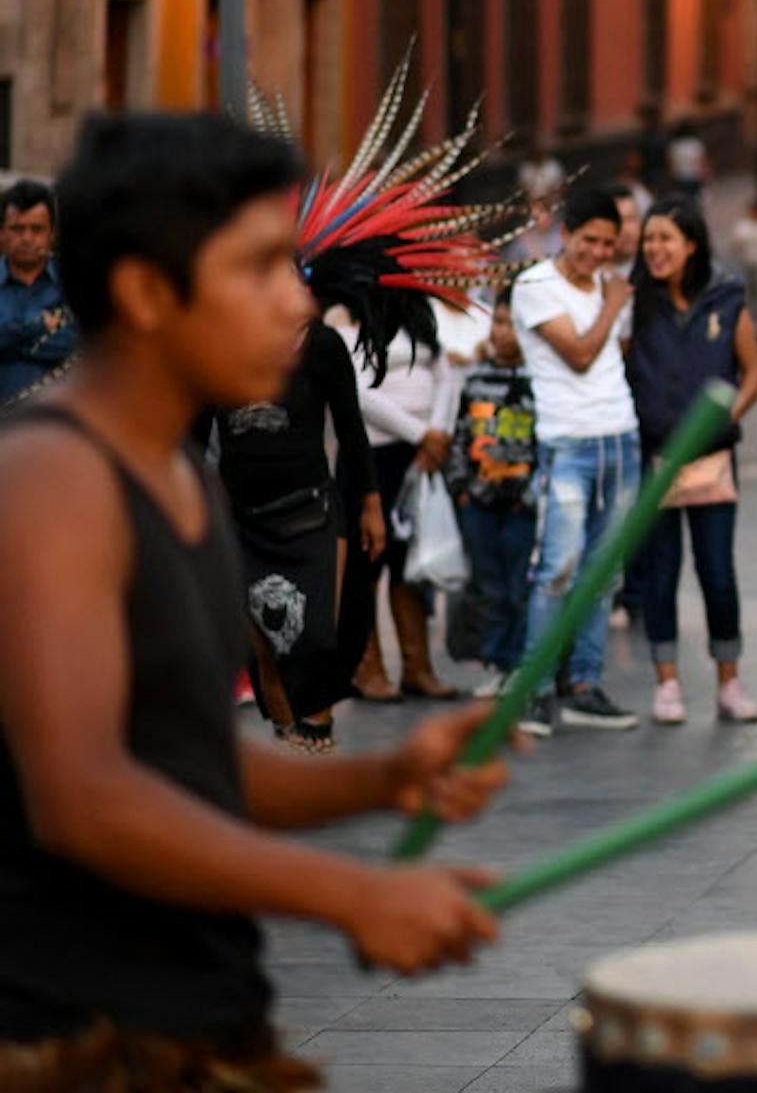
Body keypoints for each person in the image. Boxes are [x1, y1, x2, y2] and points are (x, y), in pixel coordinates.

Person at [0, 114, 510, 1089]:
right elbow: (84, 798)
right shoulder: (52, 484)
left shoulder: (180, 474)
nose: (295, 302)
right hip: (70, 1045)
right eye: (261, 269)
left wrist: (386, 779)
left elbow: (184, 763)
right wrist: (351, 893)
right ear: (148, 293)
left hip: (199, 1025)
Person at [212, 319, 387, 752]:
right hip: (240, 518)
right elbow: (192, 437)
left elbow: (351, 428)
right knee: (265, 647)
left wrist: (370, 503)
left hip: (311, 512)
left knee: (313, 638)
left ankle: (317, 733)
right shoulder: (213, 341)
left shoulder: (322, 344)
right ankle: (293, 743)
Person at [626, 198, 757, 725]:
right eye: (648, 240)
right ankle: (667, 685)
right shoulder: (634, 300)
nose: (655, 250)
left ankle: (729, 683)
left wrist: (729, 413)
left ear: (691, 244)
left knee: (717, 573)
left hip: (712, 460)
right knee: (659, 573)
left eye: (665, 239)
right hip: (656, 456)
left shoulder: (725, 296)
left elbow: (753, 369)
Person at [511, 187, 642, 735]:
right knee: (558, 570)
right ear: (566, 235)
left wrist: (612, 303)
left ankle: (584, 685)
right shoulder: (534, 286)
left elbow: (619, 352)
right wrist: (613, 303)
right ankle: (535, 690)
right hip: (568, 442)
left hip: (621, 436)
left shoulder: (609, 286)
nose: (599, 253)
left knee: (605, 573)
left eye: (609, 244)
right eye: (589, 240)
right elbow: (582, 354)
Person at [335, 312, 461, 703]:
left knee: (410, 560)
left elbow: (446, 374)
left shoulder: (418, 319)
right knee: (366, 559)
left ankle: (417, 666)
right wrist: (422, 432)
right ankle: (366, 666)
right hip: (370, 452)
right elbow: (357, 390)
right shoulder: (344, 324)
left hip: (421, 453)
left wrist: (437, 433)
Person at [444, 297, 539, 700]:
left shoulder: (539, 379)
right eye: (498, 322)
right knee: (488, 586)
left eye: (513, 324)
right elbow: (460, 432)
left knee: (520, 586)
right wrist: (461, 489)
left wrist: (531, 492)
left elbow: (544, 441)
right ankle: (498, 664)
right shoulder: (475, 377)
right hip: (479, 502)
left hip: (522, 505)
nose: (503, 332)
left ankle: (521, 663)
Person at [0, 179, 77, 404]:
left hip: (61, 427)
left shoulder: (75, 287)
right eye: (17, 229)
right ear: (2, 234)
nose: (27, 238)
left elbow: (76, 345)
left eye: (37, 229)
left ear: (52, 234)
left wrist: (9, 340)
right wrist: (41, 328)